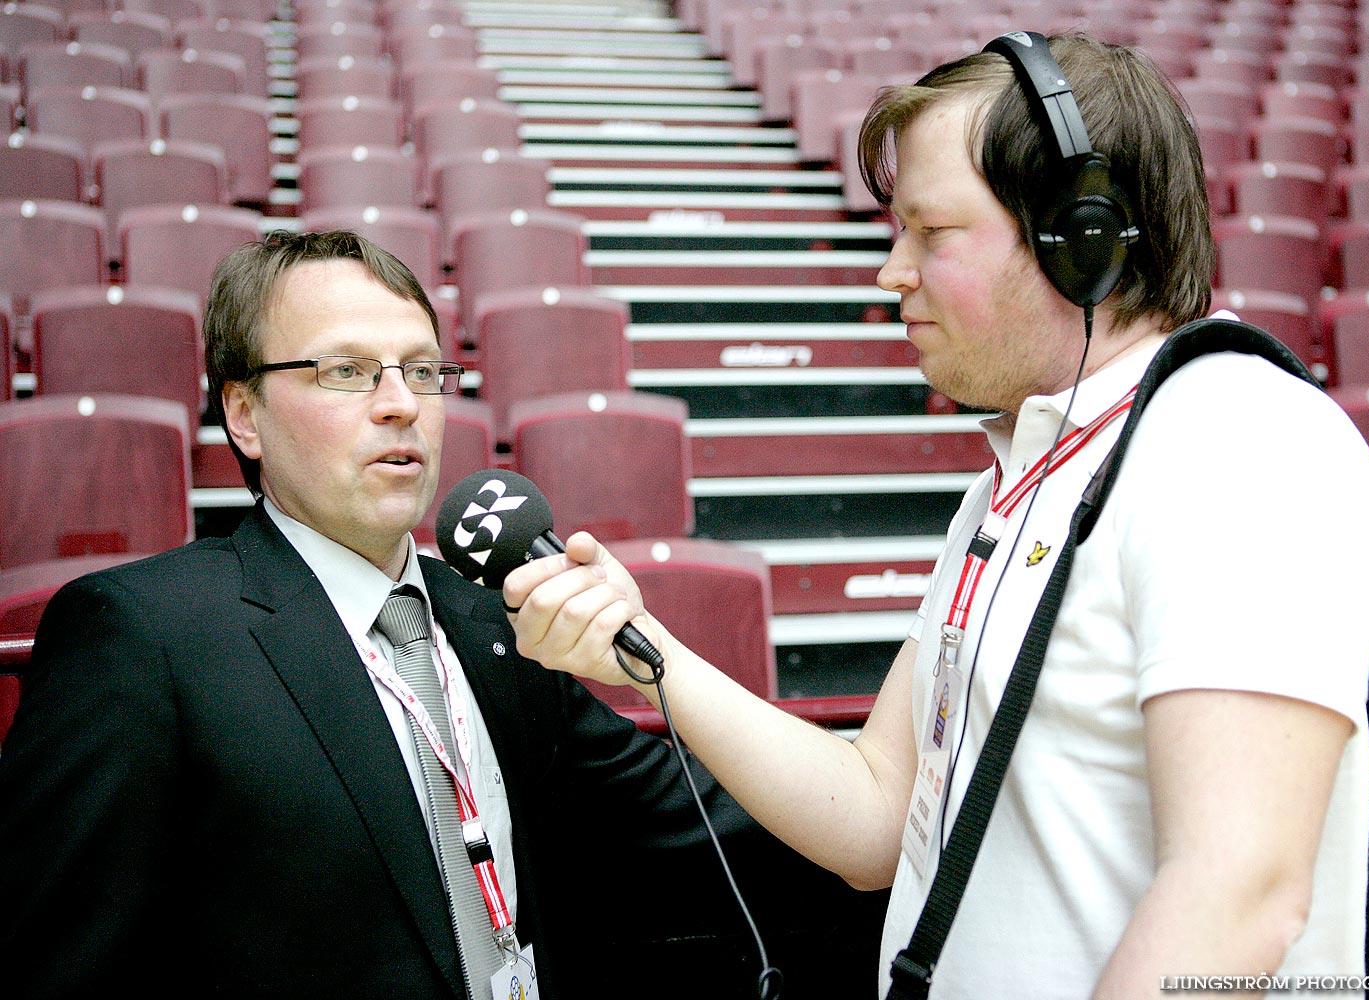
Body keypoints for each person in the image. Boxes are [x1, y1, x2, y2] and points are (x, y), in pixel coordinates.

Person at [500, 32, 1369, 1000]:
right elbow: (876, 820)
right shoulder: (1021, 477)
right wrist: (641, 649)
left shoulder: (1230, 437)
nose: (892, 272)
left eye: (930, 232)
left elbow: (1236, 894)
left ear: (1079, 237)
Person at [0, 230, 791, 999]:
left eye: (421, 371)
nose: (400, 405)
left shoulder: (495, 623)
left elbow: (711, 831)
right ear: (243, 414)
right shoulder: (140, 635)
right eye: (347, 371)